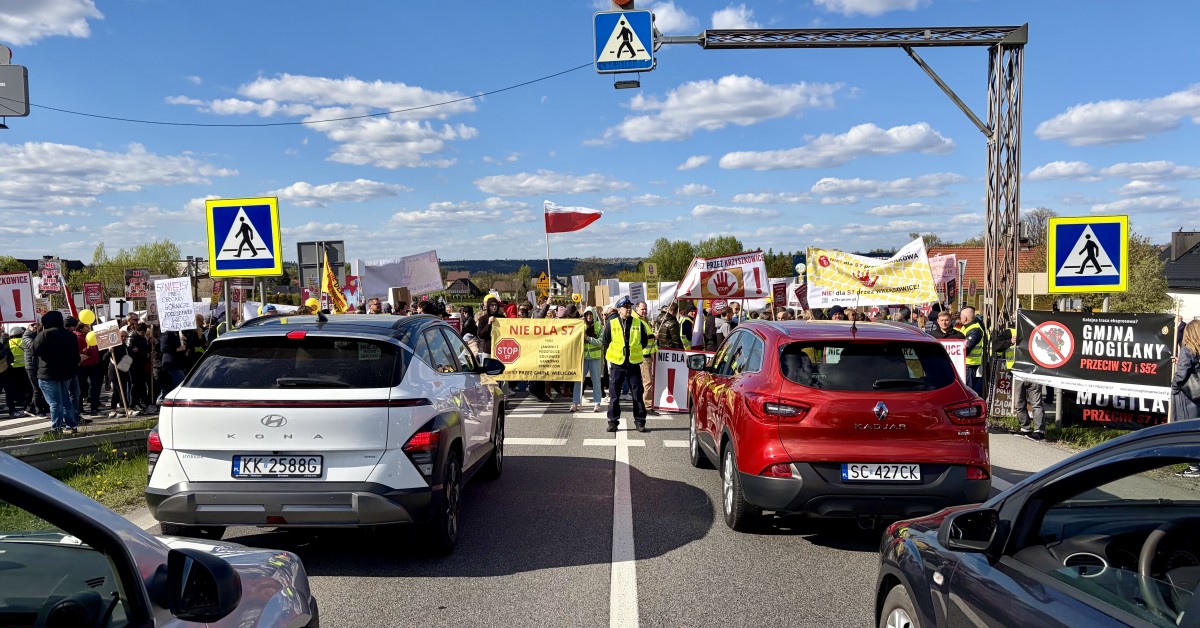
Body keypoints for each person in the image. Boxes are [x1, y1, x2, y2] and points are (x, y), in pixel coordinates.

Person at [602, 296, 654, 433]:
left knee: (637, 394)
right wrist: (611, 358)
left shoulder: (638, 323)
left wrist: (633, 352)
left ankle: (640, 422)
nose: (629, 309)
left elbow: (643, 342)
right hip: (617, 364)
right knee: (614, 395)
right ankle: (613, 422)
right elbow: (605, 342)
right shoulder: (611, 323)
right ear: (619, 310)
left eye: (630, 307)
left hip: (633, 364)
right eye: (626, 307)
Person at [30, 311, 83, 435]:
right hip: (65, 372)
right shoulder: (71, 335)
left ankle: (56, 428)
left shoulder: (44, 334)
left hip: (48, 372)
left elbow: (34, 351)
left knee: (55, 403)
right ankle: (71, 425)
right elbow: (76, 356)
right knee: (66, 400)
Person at [1174, 321, 1200, 477]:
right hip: (1198, 394)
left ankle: (1194, 466)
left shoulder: (1187, 349)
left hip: (1187, 395)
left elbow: (1182, 373)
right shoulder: (1196, 350)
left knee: (1186, 429)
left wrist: (1174, 387)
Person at [572, 307, 605, 413]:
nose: (589, 316)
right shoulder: (581, 326)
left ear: (594, 315)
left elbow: (600, 342)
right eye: (587, 314)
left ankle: (597, 403)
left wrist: (588, 339)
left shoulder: (599, 327)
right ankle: (575, 402)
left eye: (590, 314)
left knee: (596, 381)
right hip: (583, 357)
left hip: (595, 357)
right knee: (579, 380)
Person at [634, 301, 658, 414]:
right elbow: (641, 336)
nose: (644, 311)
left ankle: (644, 405)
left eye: (645, 309)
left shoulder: (643, 320)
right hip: (643, 355)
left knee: (645, 382)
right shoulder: (638, 321)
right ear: (637, 309)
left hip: (646, 354)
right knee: (647, 382)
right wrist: (653, 335)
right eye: (642, 309)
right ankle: (647, 407)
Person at [21, 322, 48, 417]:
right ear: (28, 326)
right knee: (37, 388)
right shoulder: (26, 336)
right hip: (31, 365)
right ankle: (38, 410)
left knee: (40, 387)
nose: (35, 326)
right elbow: (34, 346)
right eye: (32, 325)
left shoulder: (40, 334)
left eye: (38, 324)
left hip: (39, 364)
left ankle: (30, 408)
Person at [960, 307, 986, 396]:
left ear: (965, 318)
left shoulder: (974, 330)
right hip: (967, 364)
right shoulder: (967, 327)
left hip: (970, 364)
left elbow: (967, 348)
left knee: (968, 390)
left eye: (961, 316)